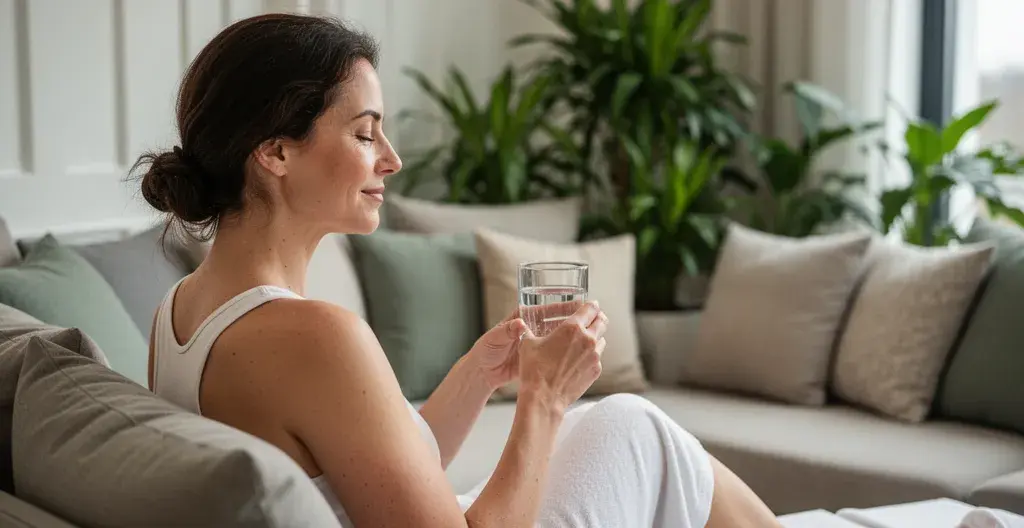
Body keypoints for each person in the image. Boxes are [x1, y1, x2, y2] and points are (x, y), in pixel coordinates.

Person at [140, 13, 781, 528]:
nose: (390, 159)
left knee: (608, 428)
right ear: (276, 152)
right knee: (635, 428)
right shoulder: (316, 336)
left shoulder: (178, 314)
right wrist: (544, 398)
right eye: (365, 134)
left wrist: (482, 372)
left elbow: (372, 481)